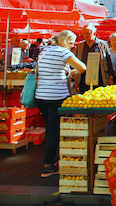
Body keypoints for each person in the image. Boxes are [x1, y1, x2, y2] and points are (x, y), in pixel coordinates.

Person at [35, 30, 86, 177]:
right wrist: (73, 73)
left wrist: (67, 72)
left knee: (50, 128)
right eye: (71, 43)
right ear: (63, 40)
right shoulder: (63, 53)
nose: (72, 46)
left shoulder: (44, 50)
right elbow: (82, 67)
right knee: (54, 131)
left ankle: (52, 159)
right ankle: (48, 165)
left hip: (41, 95)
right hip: (55, 96)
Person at [74, 24, 114, 94]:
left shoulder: (102, 44)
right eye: (84, 33)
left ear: (94, 33)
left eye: (88, 33)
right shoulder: (80, 46)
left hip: (100, 78)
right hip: (84, 80)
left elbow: (108, 61)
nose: (86, 35)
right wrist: (76, 81)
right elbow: (77, 63)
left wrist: (110, 78)